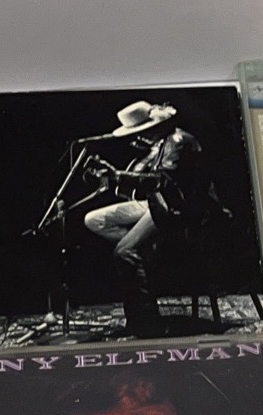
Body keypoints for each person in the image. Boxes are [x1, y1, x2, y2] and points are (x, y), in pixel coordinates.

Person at [80, 101, 218, 338]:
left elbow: (162, 181)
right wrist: (113, 177)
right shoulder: (160, 144)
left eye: (142, 131)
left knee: (123, 252)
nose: (139, 137)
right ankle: (143, 252)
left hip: (182, 209)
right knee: (95, 220)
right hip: (160, 203)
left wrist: (118, 176)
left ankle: (147, 324)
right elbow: (142, 185)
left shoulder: (177, 141)